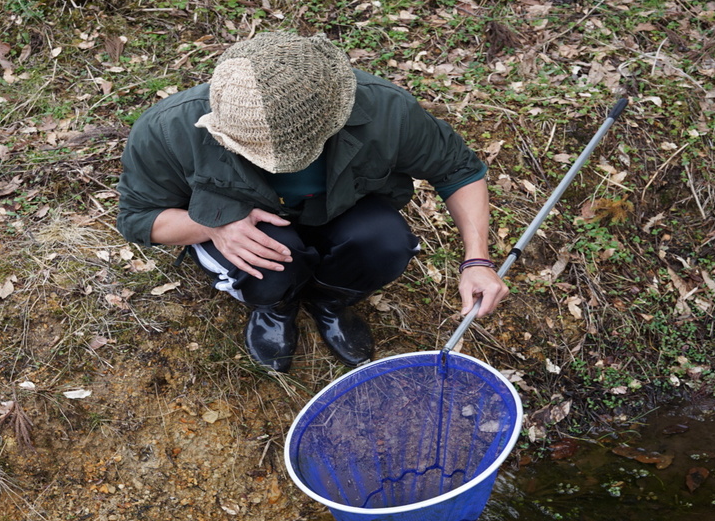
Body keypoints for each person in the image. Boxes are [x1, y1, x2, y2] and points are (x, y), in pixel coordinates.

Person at [116, 32, 508, 372]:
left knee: (386, 242)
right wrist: (213, 226)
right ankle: (276, 307)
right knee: (267, 262)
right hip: (250, 227)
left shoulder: (386, 110)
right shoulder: (166, 129)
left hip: (342, 210)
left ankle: (329, 302)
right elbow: (138, 218)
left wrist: (477, 260)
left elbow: (458, 171)